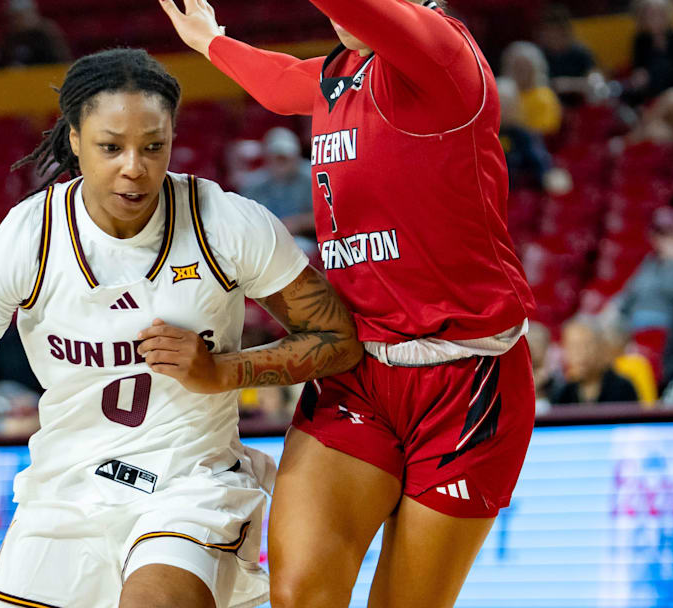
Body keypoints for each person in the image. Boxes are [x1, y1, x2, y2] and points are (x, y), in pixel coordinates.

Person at [0, 48, 361, 608]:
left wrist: (221, 371)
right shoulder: (27, 240)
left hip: (189, 487)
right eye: (111, 147)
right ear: (73, 140)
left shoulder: (225, 223)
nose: (134, 166)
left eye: (153, 146)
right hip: (65, 493)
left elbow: (339, 340)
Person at [162, 0, 537, 605]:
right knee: (298, 593)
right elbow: (284, 83)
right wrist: (212, 42)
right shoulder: (343, 70)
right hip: (358, 371)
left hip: (467, 383)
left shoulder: (441, 54)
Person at [615, 206, 673, 331]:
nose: (663, 238)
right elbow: (629, 294)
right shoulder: (650, 262)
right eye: (659, 232)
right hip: (634, 322)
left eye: (669, 231)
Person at [238, 127, 314, 234]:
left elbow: (328, 216)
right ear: (268, 158)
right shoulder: (253, 185)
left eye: (284, 158)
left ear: (296, 156)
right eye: (277, 158)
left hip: (304, 239)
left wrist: (299, 222)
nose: (281, 163)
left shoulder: (311, 178)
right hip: (266, 238)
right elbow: (242, 220)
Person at [624, 0, 673, 107]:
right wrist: (639, 75)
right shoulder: (640, 40)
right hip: (648, 91)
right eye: (648, 15)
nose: (653, 19)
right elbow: (637, 67)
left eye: (658, 14)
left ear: (668, 15)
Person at [552, 316, 639, 405]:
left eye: (587, 345)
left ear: (602, 347)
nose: (581, 354)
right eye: (573, 347)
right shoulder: (562, 394)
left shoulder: (623, 389)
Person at [0, 0, 70, 69]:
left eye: (20, 17)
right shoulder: (9, 40)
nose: (17, 21)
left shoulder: (46, 36)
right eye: (13, 18)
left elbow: (62, 62)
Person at [501, 41, 563, 136]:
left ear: (536, 68)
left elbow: (547, 131)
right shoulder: (504, 93)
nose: (522, 72)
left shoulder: (544, 96)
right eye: (517, 67)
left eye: (526, 67)